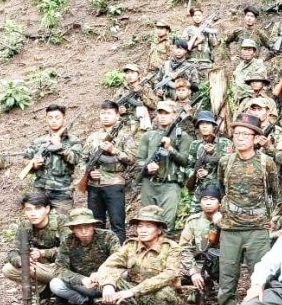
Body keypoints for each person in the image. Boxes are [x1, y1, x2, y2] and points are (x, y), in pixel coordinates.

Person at [212, 114, 279, 305]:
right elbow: (222, 189)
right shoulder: (225, 162)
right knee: (227, 280)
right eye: (236, 134)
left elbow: (276, 194)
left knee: (259, 280)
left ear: (256, 138)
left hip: (258, 230)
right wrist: (220, 215)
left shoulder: (266, 163)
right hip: (230, 229)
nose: (239, 138)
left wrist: (273, 220)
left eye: (245, 134)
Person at [88, 205, 182, 305]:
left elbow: (169, 275)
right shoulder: (131, 245)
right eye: (140, 226)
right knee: (105, 281)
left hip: (156, 293)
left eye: (148, 226)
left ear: (159, 230)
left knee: (164, 294)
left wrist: (134, 291)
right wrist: (108, 285)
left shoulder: (171, 247)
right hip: (135, 292)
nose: (143, 230)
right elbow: (109, 264)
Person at [48, 208, 121, 305]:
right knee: (55, 284)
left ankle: (114, 301)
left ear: (93, 226)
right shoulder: (68, 241)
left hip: (108, 281)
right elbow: (60, 269)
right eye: (78, 228)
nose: (83, 231)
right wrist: (81, 279)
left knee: (125, 274)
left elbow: (118, 260)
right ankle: (83, 301)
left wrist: (102, 275)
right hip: (84, 285)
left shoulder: (108, 237)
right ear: (72, 229)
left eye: (87, 226)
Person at [82, 100, 136, 242]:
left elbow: (132, 159)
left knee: (117, 223)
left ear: (117, 115)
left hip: (114, 184)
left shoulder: (124, 135)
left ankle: (118, 257)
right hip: (94, 186)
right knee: (96, 224)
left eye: (109, 113)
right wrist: (89, 172)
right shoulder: (92, 137)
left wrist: (114, 150)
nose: (105, 116)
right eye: (103, 113)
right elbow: (83, 160)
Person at [137, 101, 193, 234]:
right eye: (160, 113)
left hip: (170, 185)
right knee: (147, 221)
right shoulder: (148, 136)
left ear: (174, 115)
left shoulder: (182, 137)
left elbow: (186, 161)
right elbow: (138, 160)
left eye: (166, 113)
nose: (162, 116)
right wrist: (146, 167)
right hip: (149, 184)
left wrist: (170, 148)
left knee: (167, 224)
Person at [1, 192, 66, 303]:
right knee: (8, 269)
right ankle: (46, 291)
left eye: (37, 208)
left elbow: (70, 250)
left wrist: (43, 253)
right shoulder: (25, 225)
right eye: (28, 209)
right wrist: (21, 260)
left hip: (64, 268)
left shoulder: (60, 221)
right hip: (43, 268)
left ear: (47, 209)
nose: (32, 213)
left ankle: (61, 292)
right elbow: (13, 251)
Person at [21, 103, 83, 217]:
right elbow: (25, 161)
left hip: (62, 192)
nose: (54, 121)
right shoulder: (39, 141)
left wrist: (60, 147)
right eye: (50, 118)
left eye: (57, 117)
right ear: (46, 119)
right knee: (38, 224)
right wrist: (34, 165)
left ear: (64, 119)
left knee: (63, 223)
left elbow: (76, 159)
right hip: (40, 190)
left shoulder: (73, 141)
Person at [178, 184, 222, 303]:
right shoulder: (193, 221)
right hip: (197, 263)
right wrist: (193, 271)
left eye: (212, 199)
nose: (208, 203)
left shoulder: (228, 221)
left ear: (219, 203)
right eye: (205, 199)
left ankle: (212, 287)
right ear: (200, 202)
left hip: (219, 266)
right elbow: (184, 248)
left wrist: (221, 224)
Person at [186, 111, 232, 212]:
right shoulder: (195, 144)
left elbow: (230, 165)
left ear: (213, 126)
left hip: (219, 188)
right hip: (200, 189)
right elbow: (189, 166)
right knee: (194, 216)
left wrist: (213, 154)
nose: (204, 126)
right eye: (202, 124)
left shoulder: (225, 143)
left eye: (208, 123)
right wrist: (196, 174)